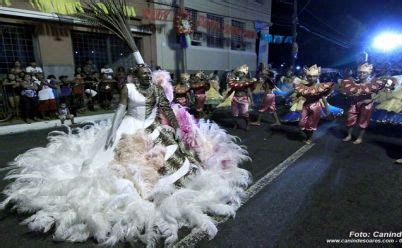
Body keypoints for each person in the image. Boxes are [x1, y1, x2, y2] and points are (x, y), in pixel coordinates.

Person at [2, 2, 250, 246]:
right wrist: (111, 132)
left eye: (147, 73)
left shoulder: (154, 89)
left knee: (166, 158)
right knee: (120, 160)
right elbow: (120, 111)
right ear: (135, 74)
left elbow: (164, 108)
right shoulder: (128, 88)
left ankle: (164, 184)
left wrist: (174, 127)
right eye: (141, 73)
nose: (144, 75)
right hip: (129, 128)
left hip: (152, 129)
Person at [341, 63, 388, 144]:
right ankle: (349, 135)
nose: (361, 74)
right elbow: (348, 92)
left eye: (364, 72)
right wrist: (349, 94)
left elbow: (381, 94)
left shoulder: (374, 82)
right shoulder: (354, 81)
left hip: (367, 104)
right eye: (360, 72)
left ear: (369, 73)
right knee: (350, 118)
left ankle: (359, 138)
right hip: (355, 102)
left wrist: (371, 99)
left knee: (363, 121)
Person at [294, 65, 333, 144]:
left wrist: (327, 110)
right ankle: (307, 135)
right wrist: (295, 99)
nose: (311, 78)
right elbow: (299, 95)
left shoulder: (319, 87)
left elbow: (324, 99)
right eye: (309, 76)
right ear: (307, 77)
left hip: (316, 107)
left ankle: (309, 138)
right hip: (305, 106)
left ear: (317, 77)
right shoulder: (303, 86)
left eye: (314, 76)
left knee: (311, 124)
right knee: (301, 123)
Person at [225, 64, 256, 130]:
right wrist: (225, 97)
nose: (239, 74)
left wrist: (252, 101)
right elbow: (231, 90)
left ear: (244, 74)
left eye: (241, 73)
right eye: (238, 73)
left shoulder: (247, 82)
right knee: (234, 114)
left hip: (244, 99)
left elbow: (249, 92)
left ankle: (248, 123)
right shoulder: (235, 82)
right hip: (235, 99)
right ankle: (235, 124)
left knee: (244, 113)